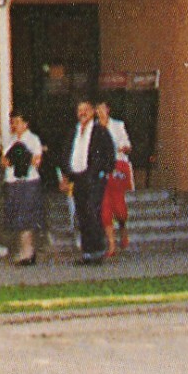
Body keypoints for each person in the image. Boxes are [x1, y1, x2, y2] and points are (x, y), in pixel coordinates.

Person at [60, 99, 115, 263]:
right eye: (79, 110)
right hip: (78, 179)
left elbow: (109, 154)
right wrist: (66, 175)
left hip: (94, 178)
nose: (82, 113)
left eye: (86, 110)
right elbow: (66, 154)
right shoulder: (74, 132)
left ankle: (97, 251)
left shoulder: (100, 132)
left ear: (92, 112)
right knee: (82, 214)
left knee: (92, 212)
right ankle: (87, 253)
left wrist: (101, 171)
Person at [1, 109, 44, 265]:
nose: (15, 125)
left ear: (26, 124)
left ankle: (28, 252)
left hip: (28, 182)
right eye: (13, 122)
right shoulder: (10, 140)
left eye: (18, 122)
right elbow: (4, 162)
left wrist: (22, 155)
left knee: (27, 217)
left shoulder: (33, 139)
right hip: (12, 181)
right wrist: (13, 155)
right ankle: (22, 251)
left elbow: (37, 161)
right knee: (17, 218)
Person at [96, 100, 134, 255]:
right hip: (101, 168)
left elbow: (127, 146)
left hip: (117, 166)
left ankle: (123, 228)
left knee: (119, 206)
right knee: (105, 206)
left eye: (102, 108)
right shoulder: (94, 128)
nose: (100, 111)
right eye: (98, 109)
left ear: (108, 109)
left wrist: (123, 148)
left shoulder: (118, 125)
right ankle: (111, 244)